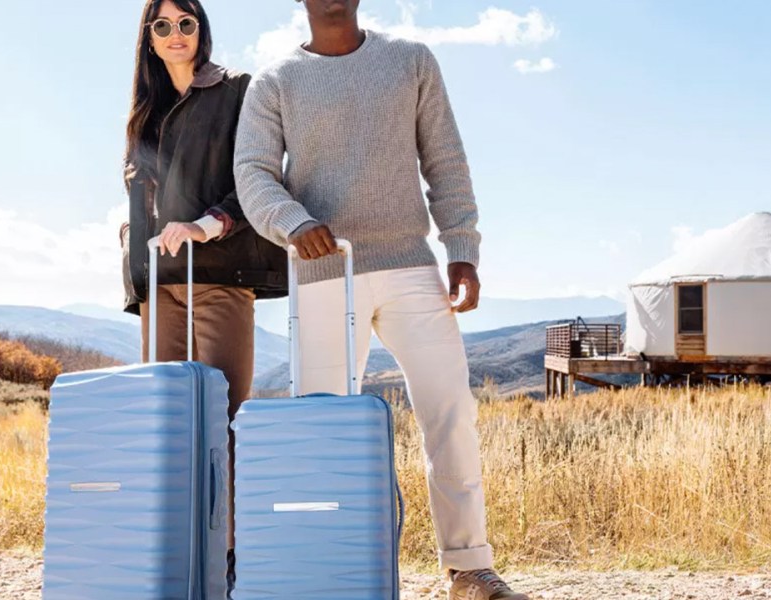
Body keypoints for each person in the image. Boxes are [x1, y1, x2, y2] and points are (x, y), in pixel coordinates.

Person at [234, 1, 527, 598]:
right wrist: (292, 221)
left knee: (451, 414)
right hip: (321, 273)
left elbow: (445, 158)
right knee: (322, 429)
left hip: (411, 266)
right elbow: (253, 172)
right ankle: (324, 569)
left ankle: (469, 568)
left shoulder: (410, 61)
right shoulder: (275, 81)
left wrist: (463, 246)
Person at [120, 0, 287, 582]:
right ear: (149, 36)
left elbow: (257, 177)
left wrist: (206, 224)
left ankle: (233, 561)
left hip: (221, 276)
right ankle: (176, 558)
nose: (175, 34)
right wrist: (136, 276)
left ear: (201, 29)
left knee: (226, 420)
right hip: (159, 285)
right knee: (164, 422)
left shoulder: (237, 90)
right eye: (161, 25)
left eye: (185, 23)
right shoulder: (145, 108)